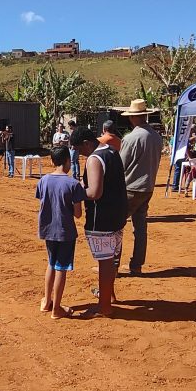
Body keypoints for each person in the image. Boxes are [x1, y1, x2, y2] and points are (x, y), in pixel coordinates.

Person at [71, 126, 128, 317]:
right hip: (117, 214)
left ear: (87, 143)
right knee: (110, 259)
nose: (79, 154)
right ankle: (108, 296)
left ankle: (104, 306)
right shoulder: (112, 151)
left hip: (101, 218)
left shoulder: (94, 159)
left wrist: (77, 191)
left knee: (104, 262)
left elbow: (95, 193)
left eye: (80, 149)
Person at [34, 147, 85, 319]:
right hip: (65, 232)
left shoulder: (43, 180)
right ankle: (57, 308)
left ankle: (47, 301)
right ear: (68, 161)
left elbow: (43, 201)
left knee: (51, 263)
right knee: (61, 268)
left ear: (51, 161)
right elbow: (78, 214)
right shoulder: (73, 184)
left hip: (48, 230)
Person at [117, 99, 163, 276]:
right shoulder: (156, 137)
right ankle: (136, 265)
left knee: (115, 227)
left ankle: (112, 267)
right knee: (140, 228)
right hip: (147, 187)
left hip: (130, 188)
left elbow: (121, 166)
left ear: (133, 118)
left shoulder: (131, 138)